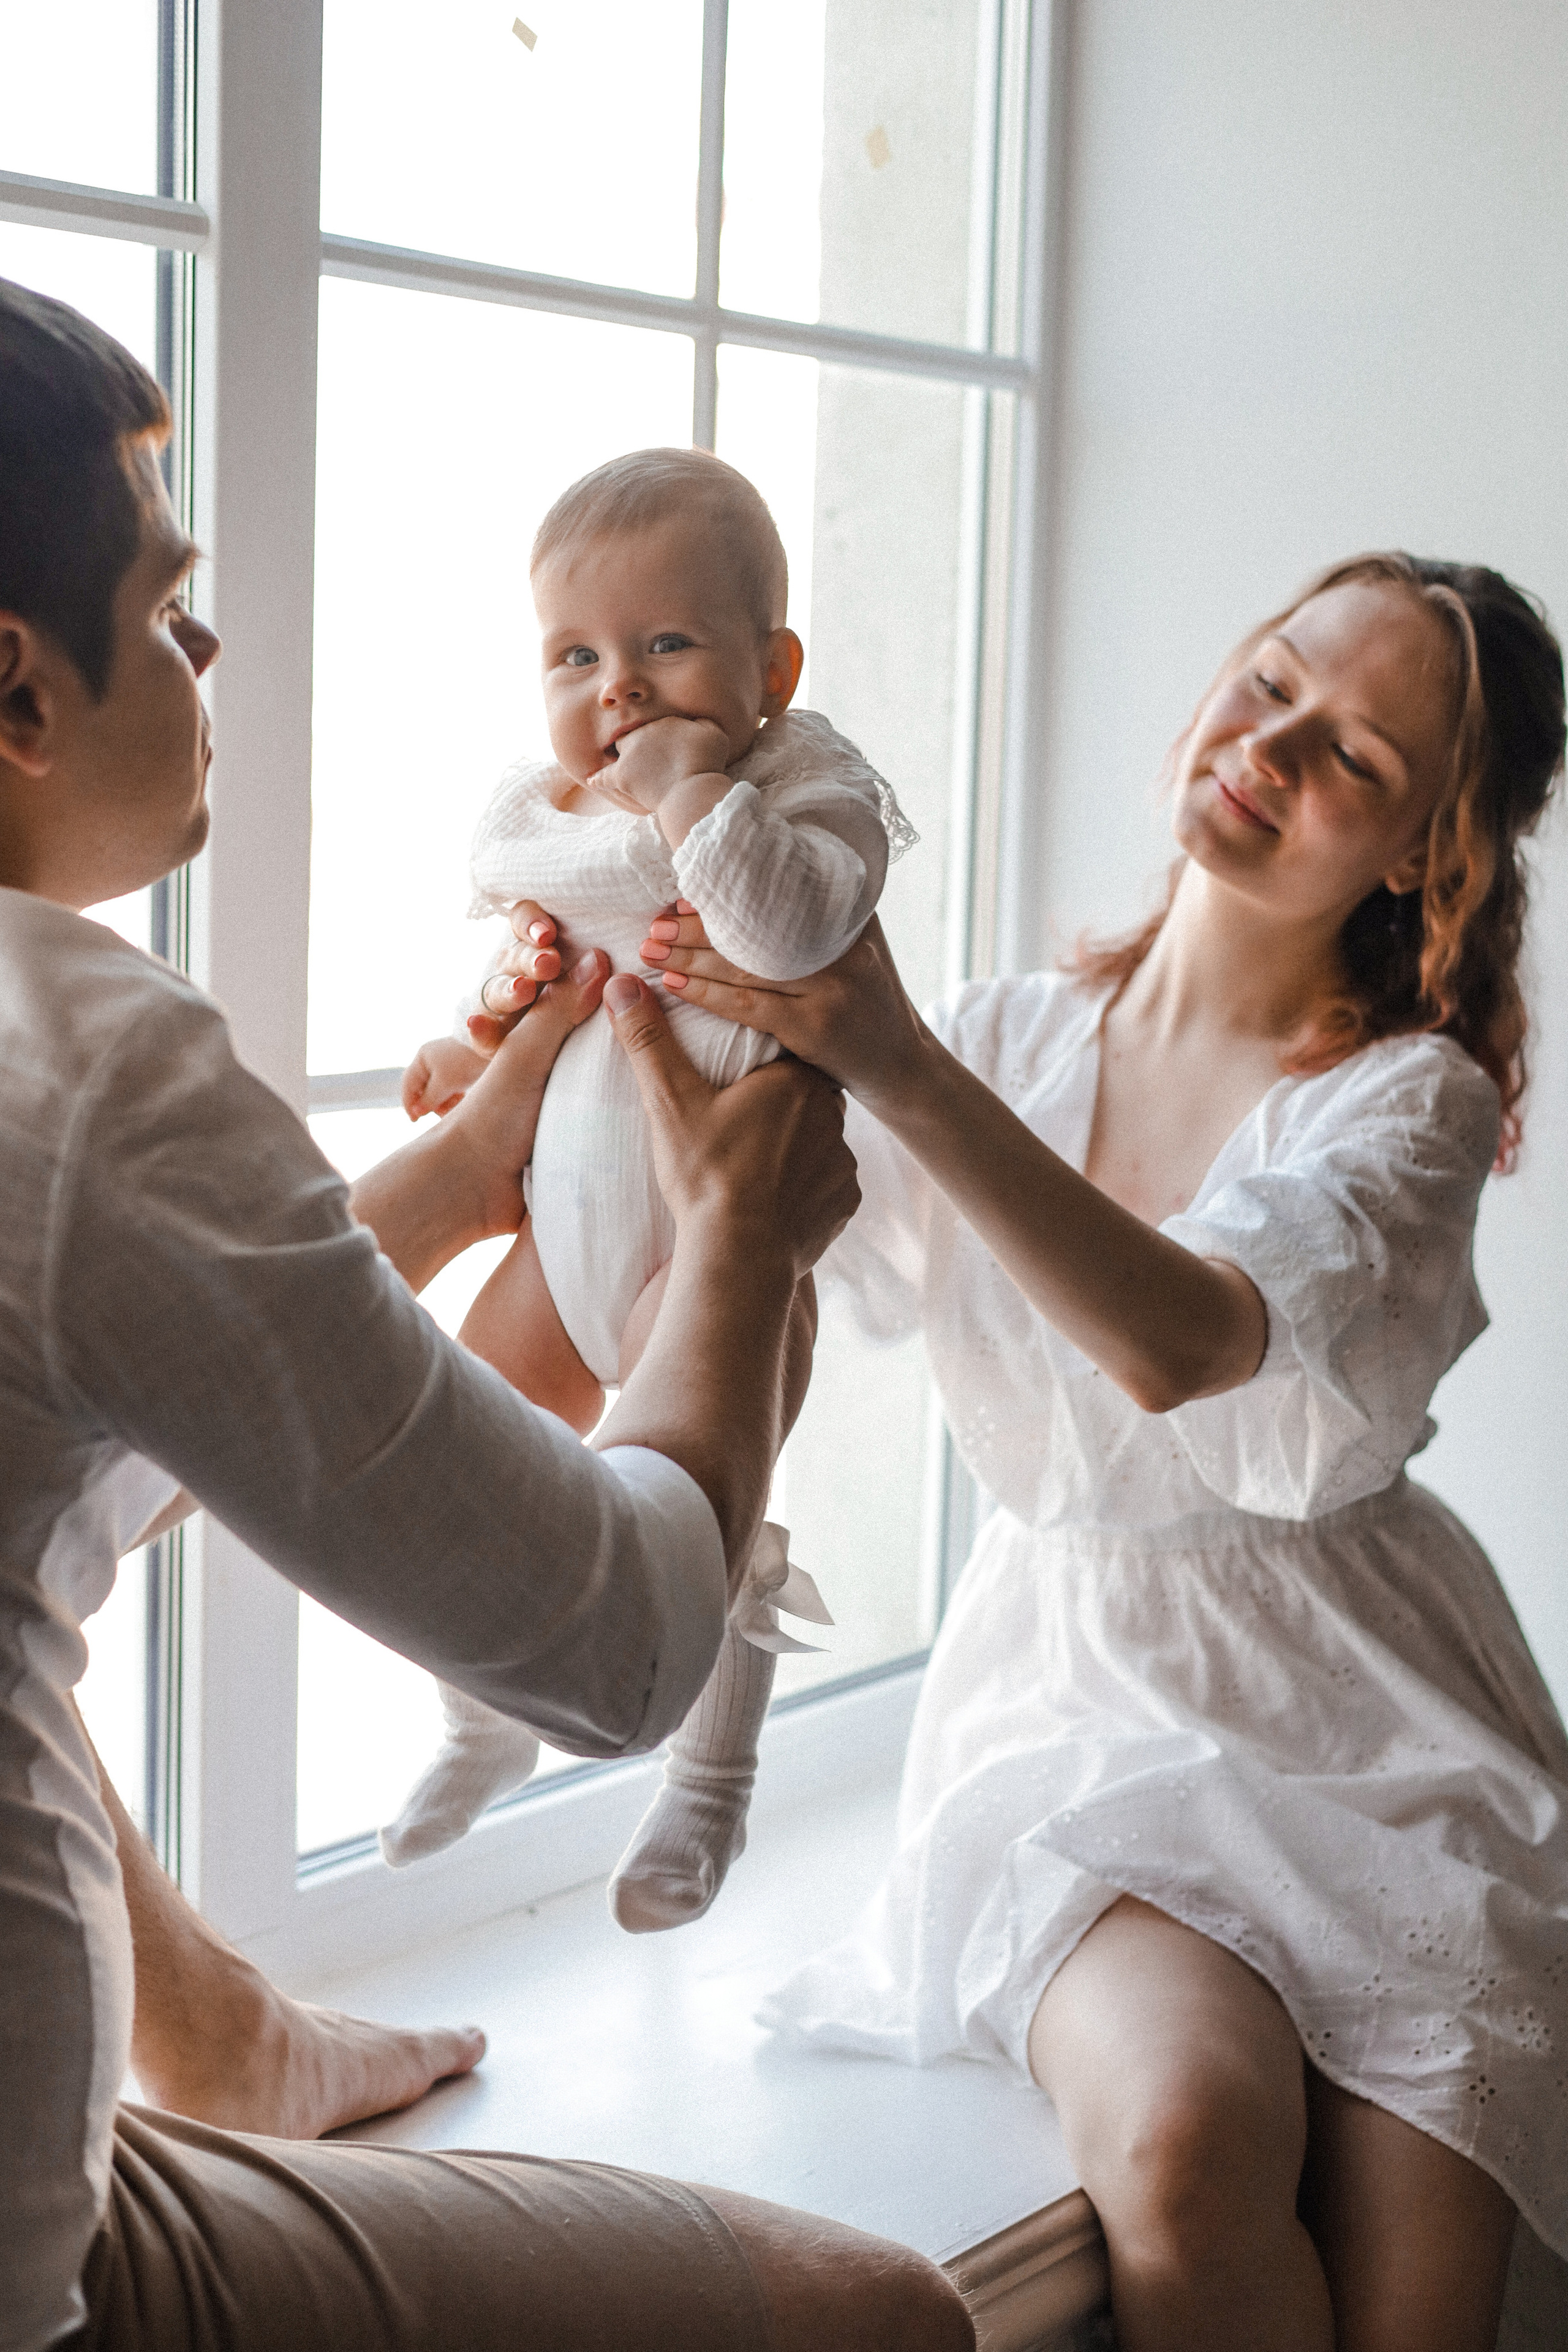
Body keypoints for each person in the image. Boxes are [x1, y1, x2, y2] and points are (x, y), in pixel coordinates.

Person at [0, 277, 973, 2352]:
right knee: (879, 2317)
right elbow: (620, 1646)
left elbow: (63, 1452)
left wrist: (451, 1186)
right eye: (170, 605)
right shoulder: (78, 1062)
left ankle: (237, 2039)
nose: (209, 646)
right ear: (14, 684)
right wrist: (740, 1245)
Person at [540, 552, 1568, 2351]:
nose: (1274, 747)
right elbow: (734, 1228)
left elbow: (1183, 1339)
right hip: (1078, 1710)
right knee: (1179, 2151)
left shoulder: (1412, 1098)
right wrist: (592, 1001)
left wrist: (897, 1058)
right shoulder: (1013, 1035)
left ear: (1421, 856)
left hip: (1378, 1728)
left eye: (1356, 758)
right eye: (1271, 680)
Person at [381, 449, 912, 1937]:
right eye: (575, 655)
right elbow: (540, 981)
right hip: (564, 1227)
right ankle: (482, 1716)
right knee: (450, 1449)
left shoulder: (804, 797)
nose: (617, 688)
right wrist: (469, 1036)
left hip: (728, 1233)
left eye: (665, 646)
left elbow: (787, 934)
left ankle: (710, 1782)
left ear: (771, 666)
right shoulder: (552, 815)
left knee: (710, 1522)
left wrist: (690, 795)